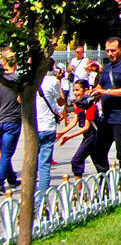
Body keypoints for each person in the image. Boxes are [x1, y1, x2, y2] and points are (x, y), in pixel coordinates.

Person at [91, 37, 121, 172]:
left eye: (113, 50)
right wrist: (92, 93)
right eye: (107, 51)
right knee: (98, 152)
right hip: (106, 118)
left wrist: (107, 92)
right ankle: (104, 182)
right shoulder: (107, 67)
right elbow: (100, 86)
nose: (110, 54)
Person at [58, 80, 98, 180]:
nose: (75, 93)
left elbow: (87, 127)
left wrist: (69, 137)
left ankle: (80, 191)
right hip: (88, 136)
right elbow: (74, 121)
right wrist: (62, 132)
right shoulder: (79, 104)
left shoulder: (90, 105)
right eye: (73, 90)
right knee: (98, 162)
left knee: (77, 160)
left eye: (77, 90)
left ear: (85, 90)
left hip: (93, 136)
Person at [34, 67, 63, 204]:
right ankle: (41, 202)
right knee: (44, 166)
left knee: (32, 164)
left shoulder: (29, 81)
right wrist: (59, 81)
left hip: (33, 127)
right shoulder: (52, 81)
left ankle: (30, 200)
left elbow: (19, 99)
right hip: (48, 126)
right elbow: (61, 101)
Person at [0, 50, 21, 191]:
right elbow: (21, 99)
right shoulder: (18, 79)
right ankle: (0, 180)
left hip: (0, 118)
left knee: (2, 153)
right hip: (12, 119)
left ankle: (11, 178)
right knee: (6, 154)